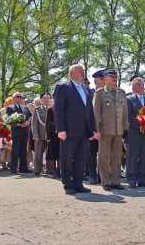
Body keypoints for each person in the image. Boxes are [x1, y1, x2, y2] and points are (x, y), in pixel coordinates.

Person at [54, 64, 97, 195]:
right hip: (69, 129)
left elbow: (89, 110)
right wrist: (61, 129)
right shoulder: (63, 87)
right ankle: (68, 184)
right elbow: (58, 109)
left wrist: (93, 129)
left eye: (83, 71)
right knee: (67, 157)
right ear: (71, 74)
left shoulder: (85, 89)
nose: (83, 72)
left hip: (84, 130)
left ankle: (78, 183)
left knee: (81, 158)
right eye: (79, 71)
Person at [93, 69, 129, 191]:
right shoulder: (100, 93)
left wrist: (125, 127)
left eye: (116, 76)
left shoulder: (121, 92)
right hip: (105, 129)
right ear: (105, 78)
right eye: (111, 76)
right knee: (104, 156)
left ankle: (115, 181)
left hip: (118, 130)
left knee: (117, 156)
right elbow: (95, 113)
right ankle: (105, 181)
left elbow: (125, 112)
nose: (114, 79)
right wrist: (96, 130)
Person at [126, 77, 145, 188]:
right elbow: (129, 116)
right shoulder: (129, 99)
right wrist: (141, 124)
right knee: (132, 157)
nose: (141, 86)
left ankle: (143, 179)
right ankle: (132, 179)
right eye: (138, 85)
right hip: (134, 132)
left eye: (142, 84)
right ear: (133, 87)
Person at [6, 92, 32, 175]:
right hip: (17, 132)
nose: (19, 98)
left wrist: (28, 122)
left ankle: (23, 168)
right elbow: (8, 120)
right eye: (17, 97)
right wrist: (18, 124)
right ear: (13, 99)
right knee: (15, 150)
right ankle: (13, 168)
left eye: (20, 97)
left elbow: (30, 116)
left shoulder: (25, 108)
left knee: (23, 150)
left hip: (25, 132)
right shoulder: (10, 108)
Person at [88, 69, 105, 185]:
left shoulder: (109, 93)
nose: (104, 81)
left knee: (104, 154)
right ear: (95, 81)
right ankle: (92, 175)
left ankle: (102, 176)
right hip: (92, 128)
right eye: (101, 79)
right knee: (92, 153)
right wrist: (90, 130)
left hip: (106, 128)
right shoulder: (89, 94)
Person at [31, 93, 51, 176]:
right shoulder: (37, 109)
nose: (46, 100)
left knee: (50, 153)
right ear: (41, 100)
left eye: (47, 98)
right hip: (40, 134)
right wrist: (35, 135)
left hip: (50, 135)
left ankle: (49, 169)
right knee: (38, 153)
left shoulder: (52, 108)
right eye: (44, 98)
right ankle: (37, 169)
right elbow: (34, 123)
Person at [45, 100, 60, 178]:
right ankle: (54, 171)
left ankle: (59, 170)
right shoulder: (50, 109)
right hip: (52, 134)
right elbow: (47, 123)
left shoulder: (62, 107)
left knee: (60, 154)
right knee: (52, 154)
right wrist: (48, 136)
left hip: (60, 134)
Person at [0, 97, 14, 170]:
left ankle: (9, 161)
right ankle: (2, 162)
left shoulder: (13, 110)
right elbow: (0, 120)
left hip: (11, 130)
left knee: (9, 147)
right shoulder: (1, 110)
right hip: (3, 130)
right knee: (3, 147)